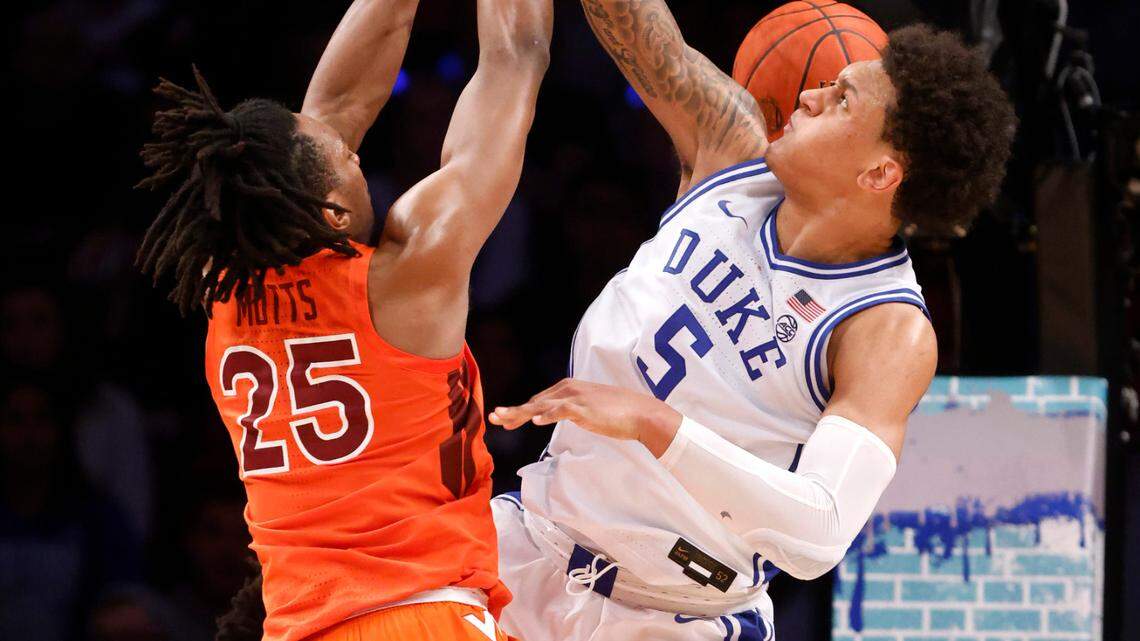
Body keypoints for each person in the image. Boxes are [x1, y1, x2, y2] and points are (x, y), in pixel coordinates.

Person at [487, 2, 1016, 640]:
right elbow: (635, 24)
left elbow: (819, 534)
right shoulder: (730, 153)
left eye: (843, 99)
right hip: (526, 548)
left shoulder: (883, 329)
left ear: (880, 172)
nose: (812, 95)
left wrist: (658, 426)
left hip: (672, 618)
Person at [134, 0, 551, 638]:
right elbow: (515, 57)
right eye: (349, 162)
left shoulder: (225, 284)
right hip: (422, 614)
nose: (358, 155)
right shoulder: (407, 272)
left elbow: (335, 111)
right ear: (331, 215)